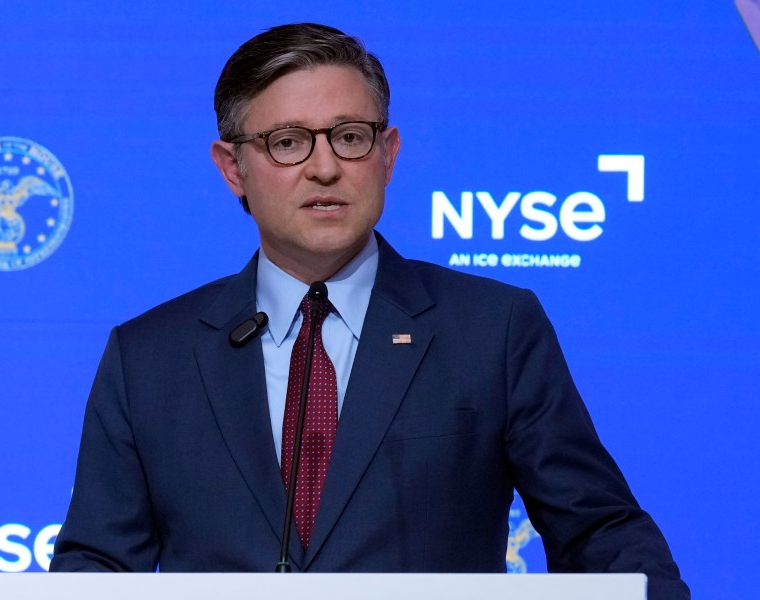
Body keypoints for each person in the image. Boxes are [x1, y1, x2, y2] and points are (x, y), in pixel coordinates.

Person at [50, 23, 689, 599]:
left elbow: (600, 534)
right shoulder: (150, 356)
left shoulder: (491, 330)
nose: (325, 167)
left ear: (388, 154)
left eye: (350, 138)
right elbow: (97, 567)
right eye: (288, 143)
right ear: (233, 167)